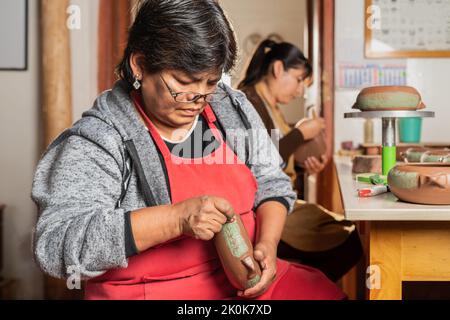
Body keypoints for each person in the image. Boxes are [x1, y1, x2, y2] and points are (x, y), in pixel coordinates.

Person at [31, 0, 345, 300]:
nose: (198, 100)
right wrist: (176, 219)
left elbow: (271, 181)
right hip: (152, 290)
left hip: (244, 287)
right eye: (183, 82)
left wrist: (268, 245)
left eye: (209, 83)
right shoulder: (101, 138)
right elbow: (57, 245)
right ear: (139, 65)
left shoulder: (230, 108)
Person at [238, 39, 363, 282]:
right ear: (277, 69)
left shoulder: (269, 105)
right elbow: (257, 161)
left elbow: (275, 159)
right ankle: (299, 287)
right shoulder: (248, 103)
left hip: (280, 199)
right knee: (348, 244)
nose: (299, 91)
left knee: (346, 231)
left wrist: (302, 166)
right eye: (297, 80)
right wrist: (301, 134)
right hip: (260, 207)